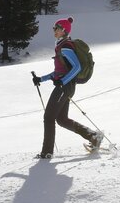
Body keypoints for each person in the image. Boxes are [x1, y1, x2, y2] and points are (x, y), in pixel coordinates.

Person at [32, 17, 103, 158]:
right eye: (54, 28)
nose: (54, 30)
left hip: (65, 87)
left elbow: (77, 67)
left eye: (56, 28)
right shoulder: (61, 46)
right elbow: (58, 72)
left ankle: (47, 153)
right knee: (62, 119)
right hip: (66, 86)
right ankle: (93, 136)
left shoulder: (65, 47)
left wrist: (63, 81)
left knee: (48, 117)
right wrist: (41, 78)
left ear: (64, 30)